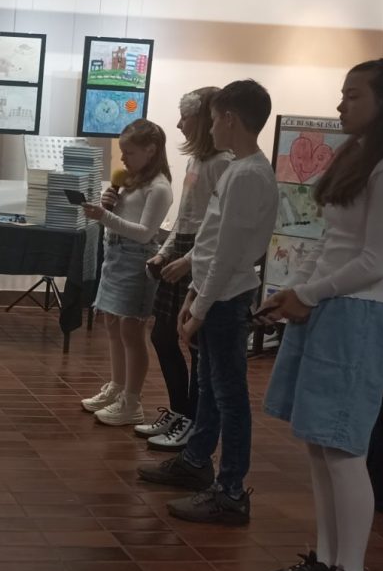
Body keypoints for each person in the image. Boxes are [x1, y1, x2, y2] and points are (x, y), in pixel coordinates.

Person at [257, 59, 383, 571]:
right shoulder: (362, 157)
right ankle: (327, 558)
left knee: (343, 449)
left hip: (357, 315)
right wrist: (294, 291)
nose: (341, 105)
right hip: (327, 308)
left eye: (353, 95)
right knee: (319, 444)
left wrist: (309, 294)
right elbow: (331, 241)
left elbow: (377, 261)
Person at [137, 80, 278, 530]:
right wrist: (195, 293)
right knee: (213, 388)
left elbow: (229, 253)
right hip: (215, 293)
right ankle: (196, 460)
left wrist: (199, 306)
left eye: (214, 119)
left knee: (229, 395)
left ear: (230, 119)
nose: (209, 127)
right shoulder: (238, 169)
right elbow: (212, 240)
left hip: (228, 297)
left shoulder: (249, 174)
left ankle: (230, 491)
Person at [138, 88, 230, 451]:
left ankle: (192, 420)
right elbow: (185, 216)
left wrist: (189, 259)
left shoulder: (223, 163)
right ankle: (178, 411)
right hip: (182, 249)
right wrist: (164, 252)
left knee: (194, 345)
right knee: (162, 336)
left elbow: (217, 227)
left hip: (202, 254)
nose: (178, 124)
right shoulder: (196, 161)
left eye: (185, 117)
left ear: (204, 120)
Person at [81, 119, 174, 426]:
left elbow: (145, 233)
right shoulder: (131, 181)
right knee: (112, 324)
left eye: (129, 152)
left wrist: (104, 216)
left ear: (151, 150)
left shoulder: (159, 187)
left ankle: (132, 401)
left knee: (131, 331)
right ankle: (117, 386)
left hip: (136, 261)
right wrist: (110, 205)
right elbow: (123, 219)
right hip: (114, 255)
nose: (122, 158)